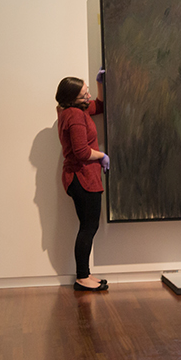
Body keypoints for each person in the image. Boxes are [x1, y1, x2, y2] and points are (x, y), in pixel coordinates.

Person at [56, 72, 109, 292]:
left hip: (82, 176)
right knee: (88, 227)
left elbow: (99, 105)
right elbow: (81, 152)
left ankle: (85, 274)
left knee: (88, 226)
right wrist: (102, 155)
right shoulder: (75, 116)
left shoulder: (73, 110)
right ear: (73, 98)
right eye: (84, 92)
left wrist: (99, 83)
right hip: (82, 177)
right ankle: (81, 278)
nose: (88, 95)